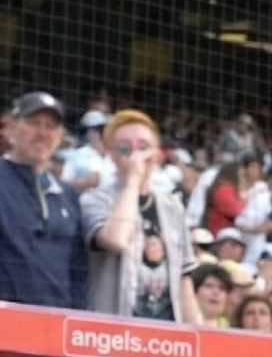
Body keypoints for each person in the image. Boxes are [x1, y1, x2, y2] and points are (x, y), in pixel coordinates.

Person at [80, 110, 201, 322]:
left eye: (143, 147)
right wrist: (133, 180)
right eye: (125, 148)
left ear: (156, 154)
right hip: (112, 328)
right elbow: (116, 240)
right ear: (111, 154)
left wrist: (199, 335)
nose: (136, 156)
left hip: (165, 333)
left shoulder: (173, 206)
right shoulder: (94, 199)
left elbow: (183, 279)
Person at [0, 91, 89, 309]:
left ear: (60, 135)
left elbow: (78, 268)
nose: (42, 132)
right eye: (33, 123)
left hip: (55, 328)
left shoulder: (67, 195)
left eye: (51, 126)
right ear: (10, 129)